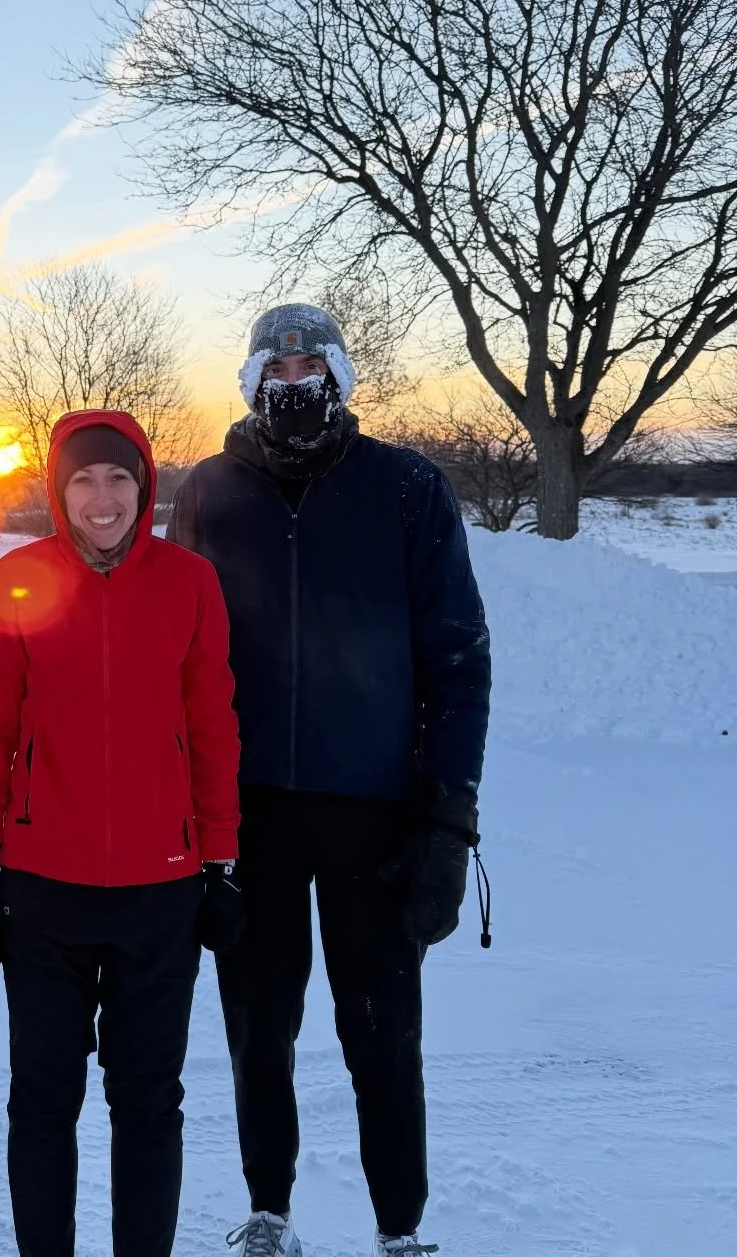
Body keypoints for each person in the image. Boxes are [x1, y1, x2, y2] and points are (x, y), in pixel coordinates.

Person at [169, 304, 492, 1257]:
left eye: (313, 364)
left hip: (379, 817)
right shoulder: (208, 495)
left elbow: (459, 660)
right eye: (278, 363)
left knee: (383, 1034)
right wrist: (187, 815)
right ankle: (270, 1212)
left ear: (342, 377)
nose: (295, 379)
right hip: (248, 814)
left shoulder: (406, 487)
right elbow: (175, 660)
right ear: (251, 378)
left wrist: (447, 817)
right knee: (257, 1027)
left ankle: (400, 1230)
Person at [0, 409, 243, 1257]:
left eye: (118, 477)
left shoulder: (191, 582)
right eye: (82, 478)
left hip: (162, 890)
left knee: (148, 1099)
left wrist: (222, 862)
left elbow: (215, 724)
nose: (101, 496)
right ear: (58, 488)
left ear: (145, 484)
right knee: (43, 1099)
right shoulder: (18, 578)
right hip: (46, 885)